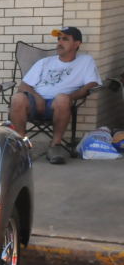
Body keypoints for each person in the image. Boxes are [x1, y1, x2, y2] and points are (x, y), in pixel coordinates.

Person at [9, 26, 101, 164]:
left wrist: (70, 97)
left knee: (62, 99)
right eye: (59, 39)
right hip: (35, 103)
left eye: (65, 39)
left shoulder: (85, 61)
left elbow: (92, 84)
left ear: (77, 44)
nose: (59, 42)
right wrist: (37, 97)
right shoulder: (45, 62)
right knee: (17, 98)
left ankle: (55, 146)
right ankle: (22, 144)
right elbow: (23, 86)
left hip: (58, 106)